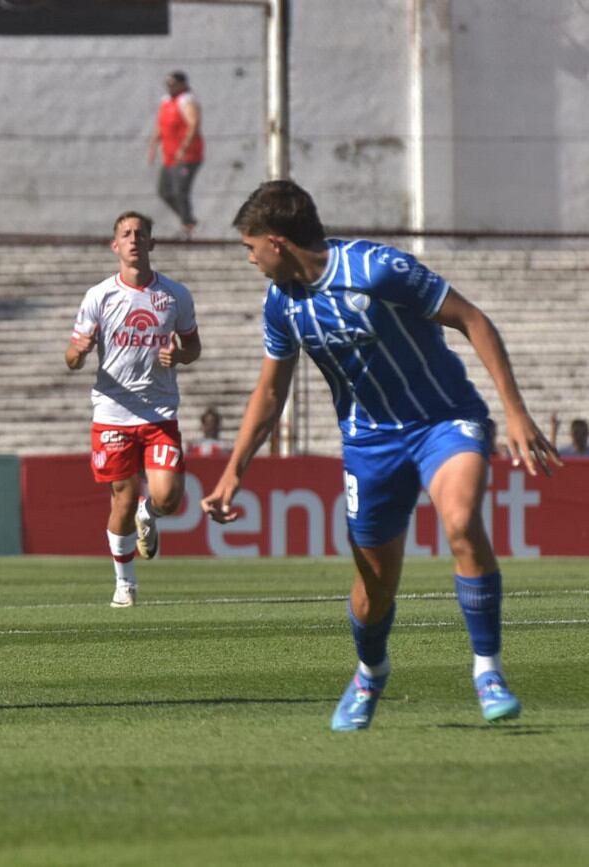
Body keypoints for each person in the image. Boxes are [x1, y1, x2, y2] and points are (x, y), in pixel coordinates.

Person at [201, 179, 560, 731]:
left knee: (461, 522)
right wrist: (233, 472)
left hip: (444, 419)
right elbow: (271, 392)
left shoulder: (376, 269)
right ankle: (370, 671)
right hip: (369, 443)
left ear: (276, 242)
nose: (249, 259)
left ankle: (487, 670)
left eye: (250, 247)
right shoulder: (281, 305)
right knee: (374, 588)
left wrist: (514, 411)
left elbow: (474, 319)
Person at [65, 210, 201, 607]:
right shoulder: (99, 296)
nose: (134, 239)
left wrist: (178, 355)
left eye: (141, 233)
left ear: (151, 244)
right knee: (120, 500)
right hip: (113, 412)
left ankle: (150, 512)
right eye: (126, 234)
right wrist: (80, 351)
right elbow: (71, 358)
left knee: (169, 497)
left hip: (159, 412)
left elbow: (193, 348)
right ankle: (125, 583)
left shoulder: (174, 295)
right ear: (115, 245)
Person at [147, 70, 203, 241]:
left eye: (173, 84)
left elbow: (193, 124)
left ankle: (187, 227)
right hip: (169, 156)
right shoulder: (166, 102)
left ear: (182, 84)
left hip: (187, 156)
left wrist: (184, 148)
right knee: (165, 191)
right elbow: (160, 125)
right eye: (168, 85)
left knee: (181, 191)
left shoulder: (187, 101)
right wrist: (153, 146)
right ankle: (189, 220)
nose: (170, 88)